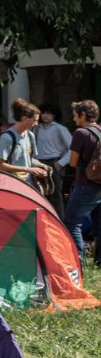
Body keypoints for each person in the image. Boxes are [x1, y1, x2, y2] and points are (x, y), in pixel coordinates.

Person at [63, 100, 101, 265]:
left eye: (75, 115)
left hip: (86, 185)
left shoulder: (81, 133)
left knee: (72, 222)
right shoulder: (100, 130)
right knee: (99, 227)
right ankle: (99, 262)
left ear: (83, 114)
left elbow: (72, 162)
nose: (74, 119)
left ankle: (77, 263)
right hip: (99, 185)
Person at [0, 98, 51, 192]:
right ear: (25, 118)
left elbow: (28, 159)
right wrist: (28, 169)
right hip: (11, 187)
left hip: (29, 185)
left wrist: (41, 167)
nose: (36, 124)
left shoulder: (30, 135)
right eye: (35, 120)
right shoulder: (7, 138)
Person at [36, 104, 73, 209]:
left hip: (54, 163)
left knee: (56, 196)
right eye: (43, 113)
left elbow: (72, 148)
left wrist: (60, 163)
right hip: (39, 163)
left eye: (48, 113)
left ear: (54, 115)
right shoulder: (37, 128)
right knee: (40, 195)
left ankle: (60, 222)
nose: (45, 116)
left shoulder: (60, 128)